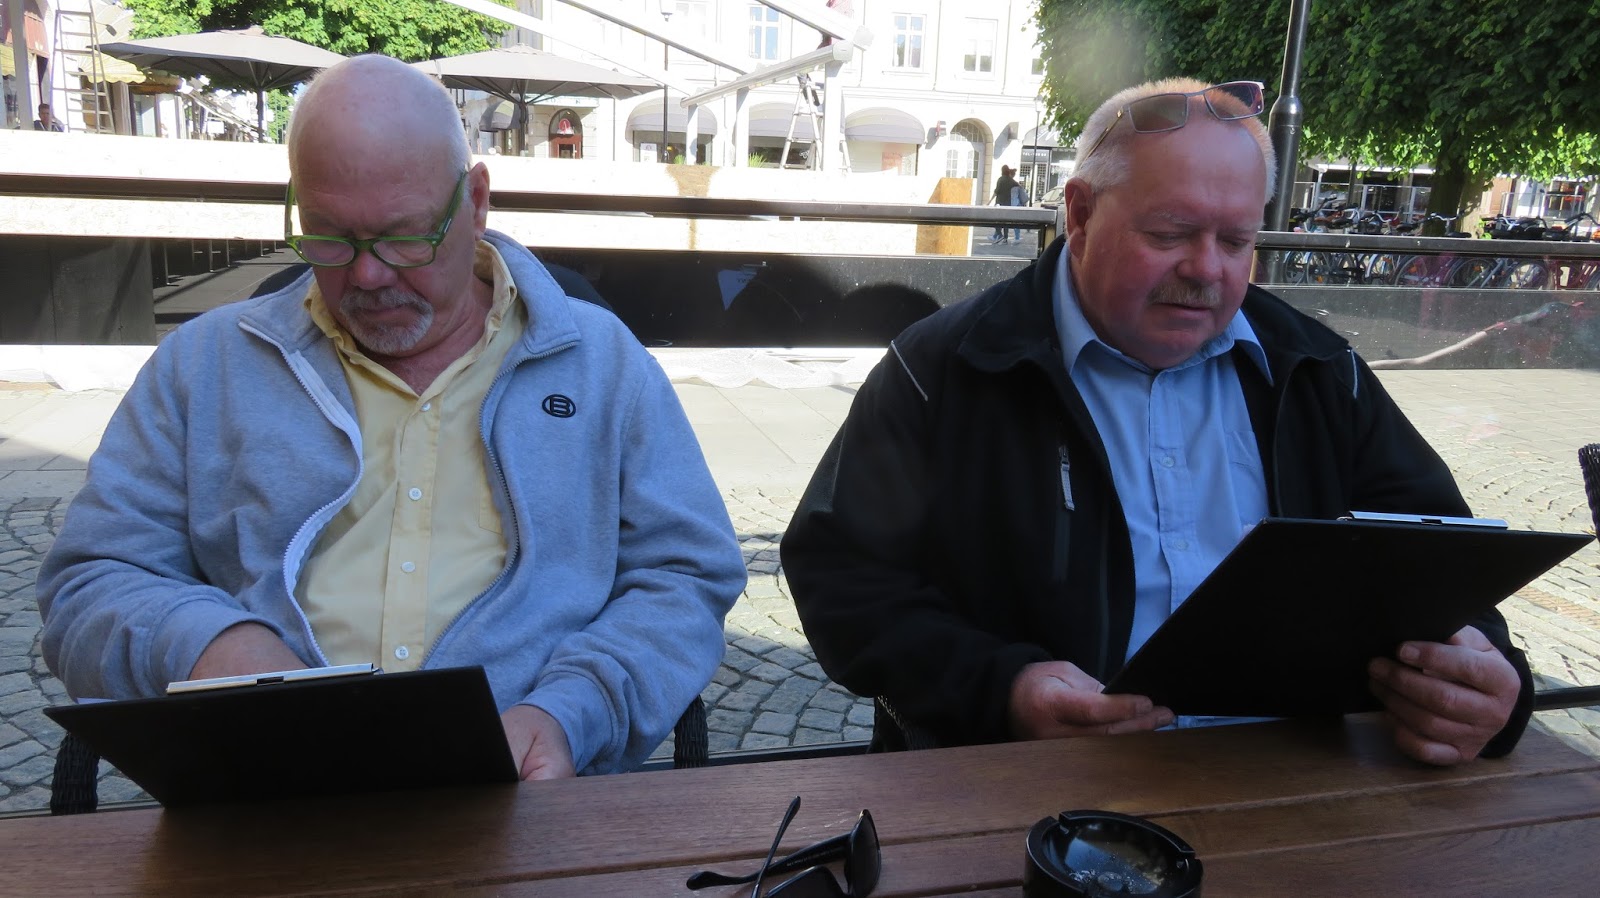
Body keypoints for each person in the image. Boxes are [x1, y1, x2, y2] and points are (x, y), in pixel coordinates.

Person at [782, 77, 1532, 767]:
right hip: (1029, 785)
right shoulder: (946, 368)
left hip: (1291, 780)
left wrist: (1489, 680)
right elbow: (841, 576)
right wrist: (1001, 688)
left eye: (1237, 241)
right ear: (1078, 214)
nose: (1207, 269)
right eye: (1170, 233)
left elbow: (1442, 563)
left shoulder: (1317, 370)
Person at [37, 55, 746, 779]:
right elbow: (88, 585)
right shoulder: (204, 365)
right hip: (263, 788)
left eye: (406, 237)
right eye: (329, 236)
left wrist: (572, 709)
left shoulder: (601, 365)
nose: (368, 275)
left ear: (475, 202)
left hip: (523, 795)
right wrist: (211, 644)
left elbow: (685, 576)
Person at [991, 165, 1020, 244]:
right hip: (1007, 203)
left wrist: (990, 201)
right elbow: (1018, 185)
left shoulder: (1000, 179)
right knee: (1006, 221)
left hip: (999, 203)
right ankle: (1005, 238)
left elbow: (996, 191)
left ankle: (999, 235)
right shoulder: (1010, 180)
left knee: (996, 220)